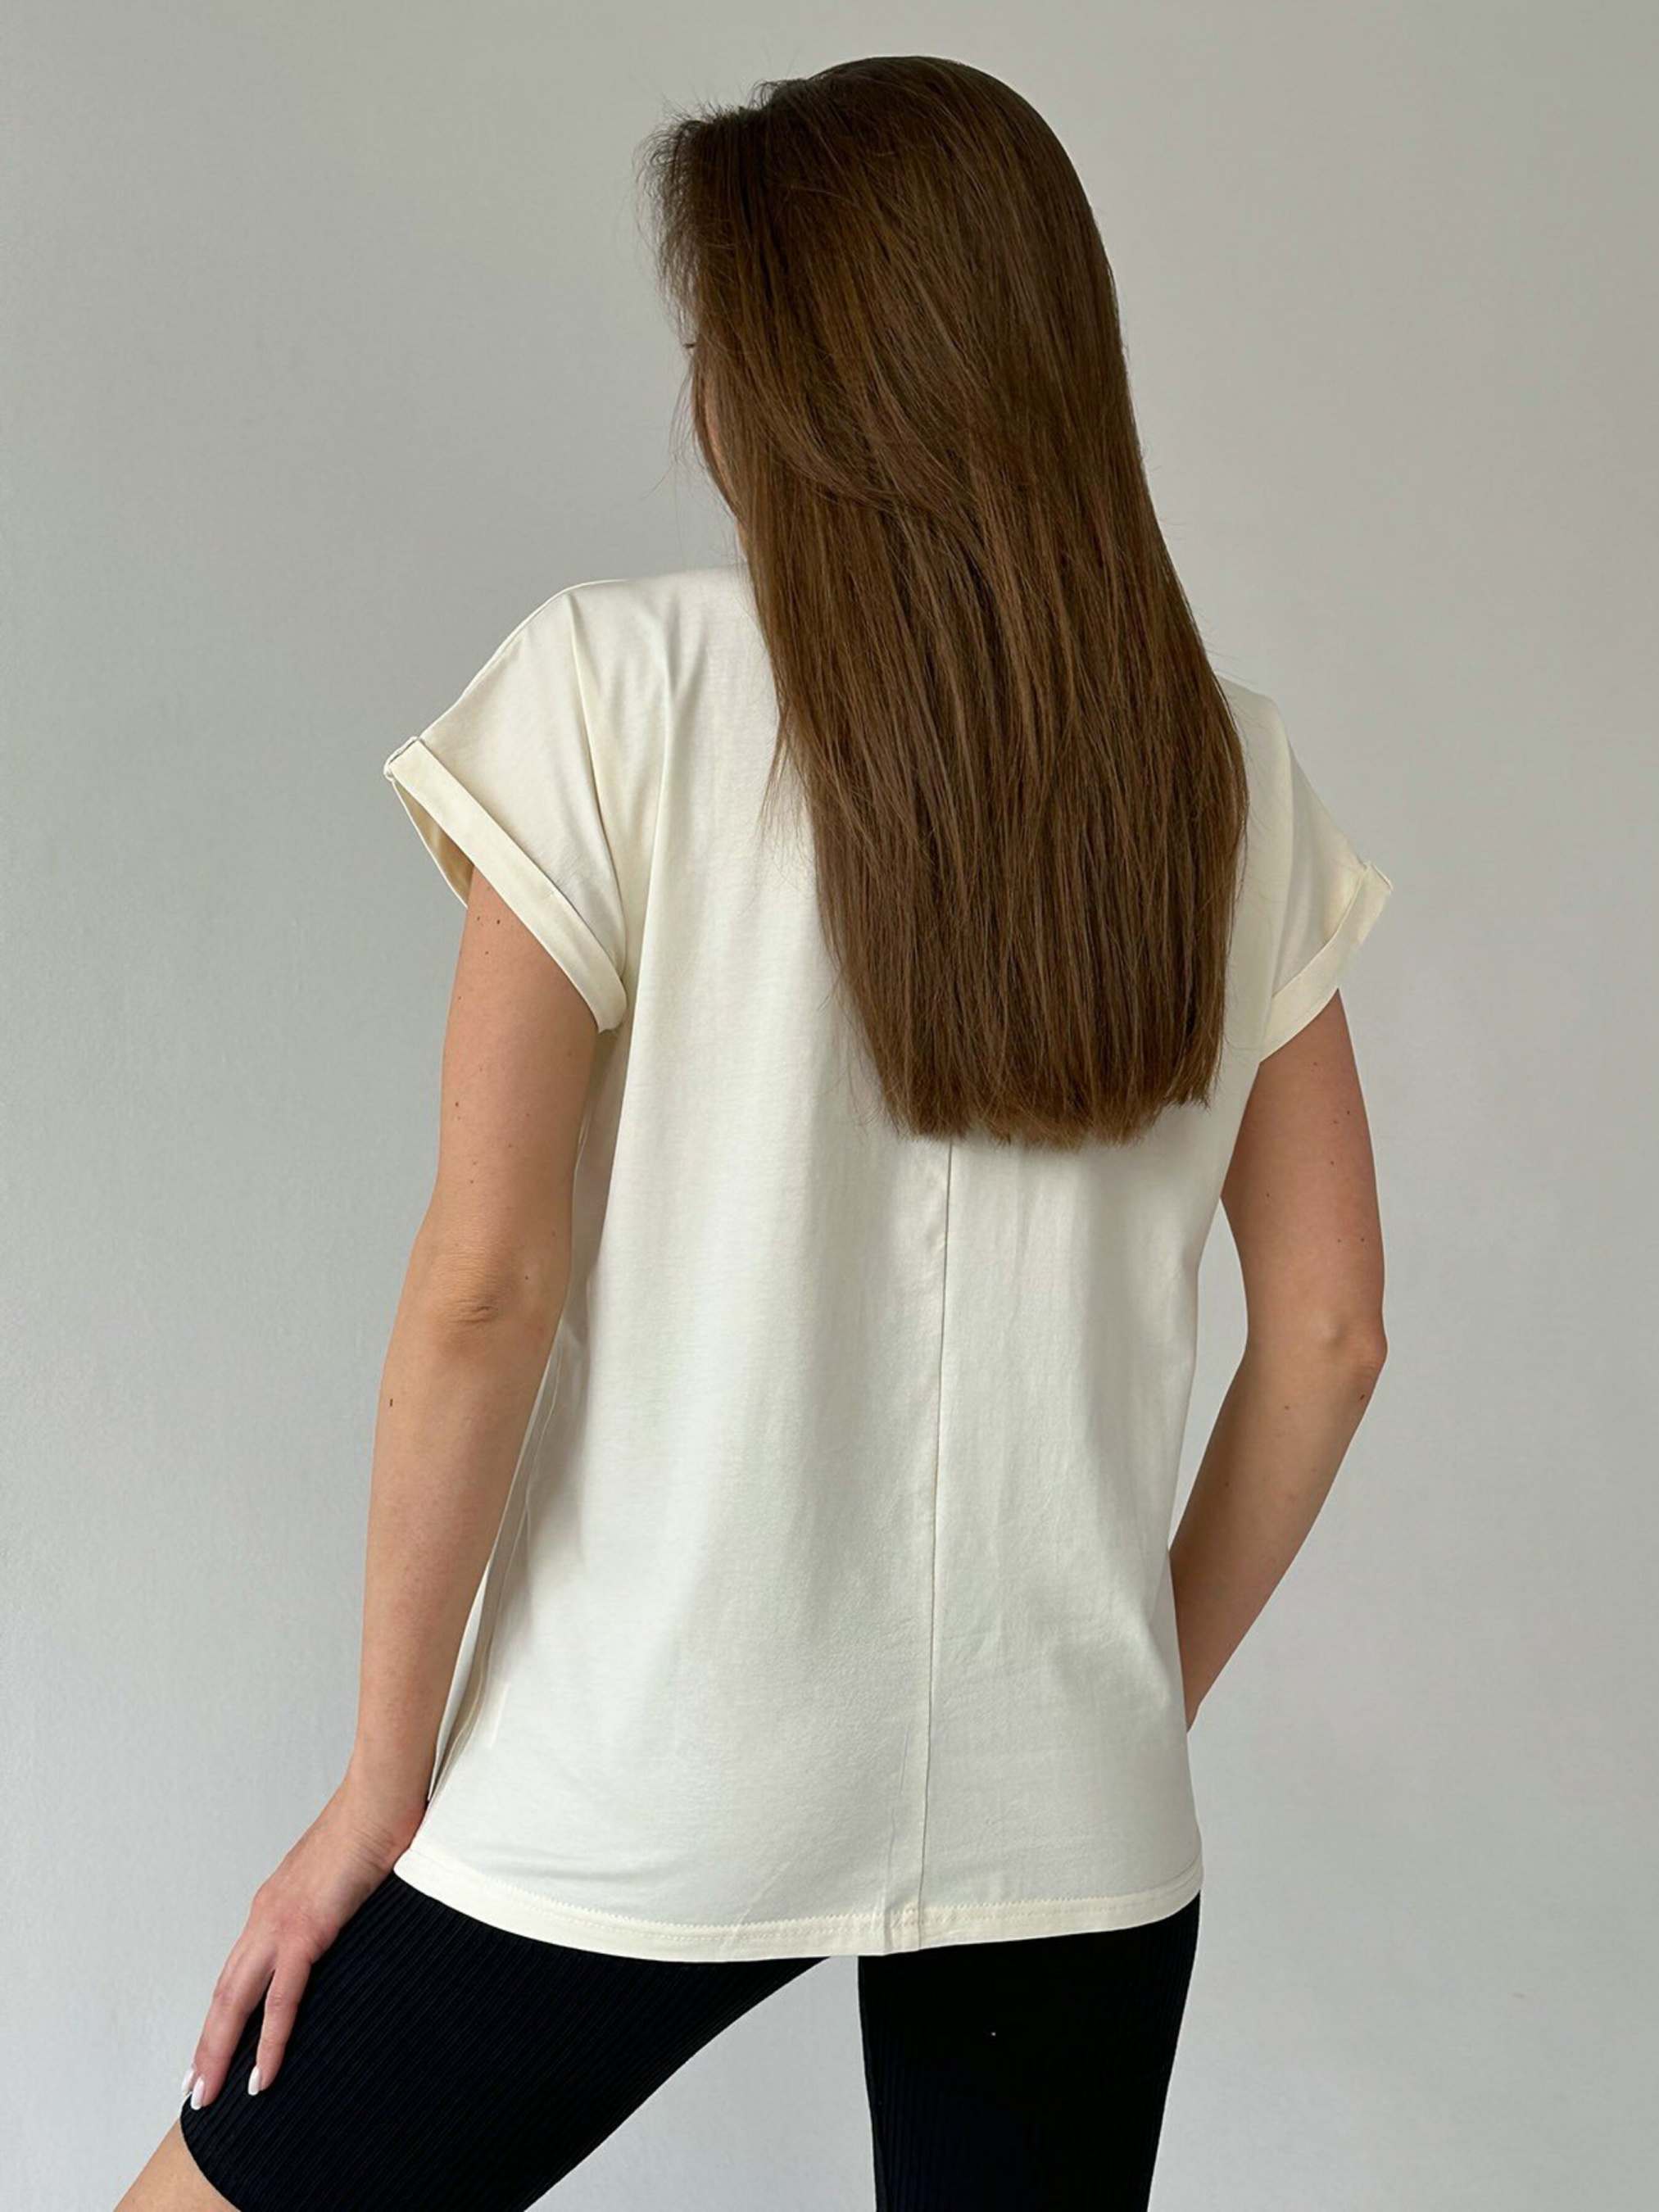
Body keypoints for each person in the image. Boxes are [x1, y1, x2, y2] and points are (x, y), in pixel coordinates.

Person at [119, 53, 1393, 2212]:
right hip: (1070, 1815)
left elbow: (486, 1286)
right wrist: (1107, 1706)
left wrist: (379, 1787)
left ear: (791, 379)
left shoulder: (611, 691)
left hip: (650, 1764)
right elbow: (1334, 1333)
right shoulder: (1226, 770)